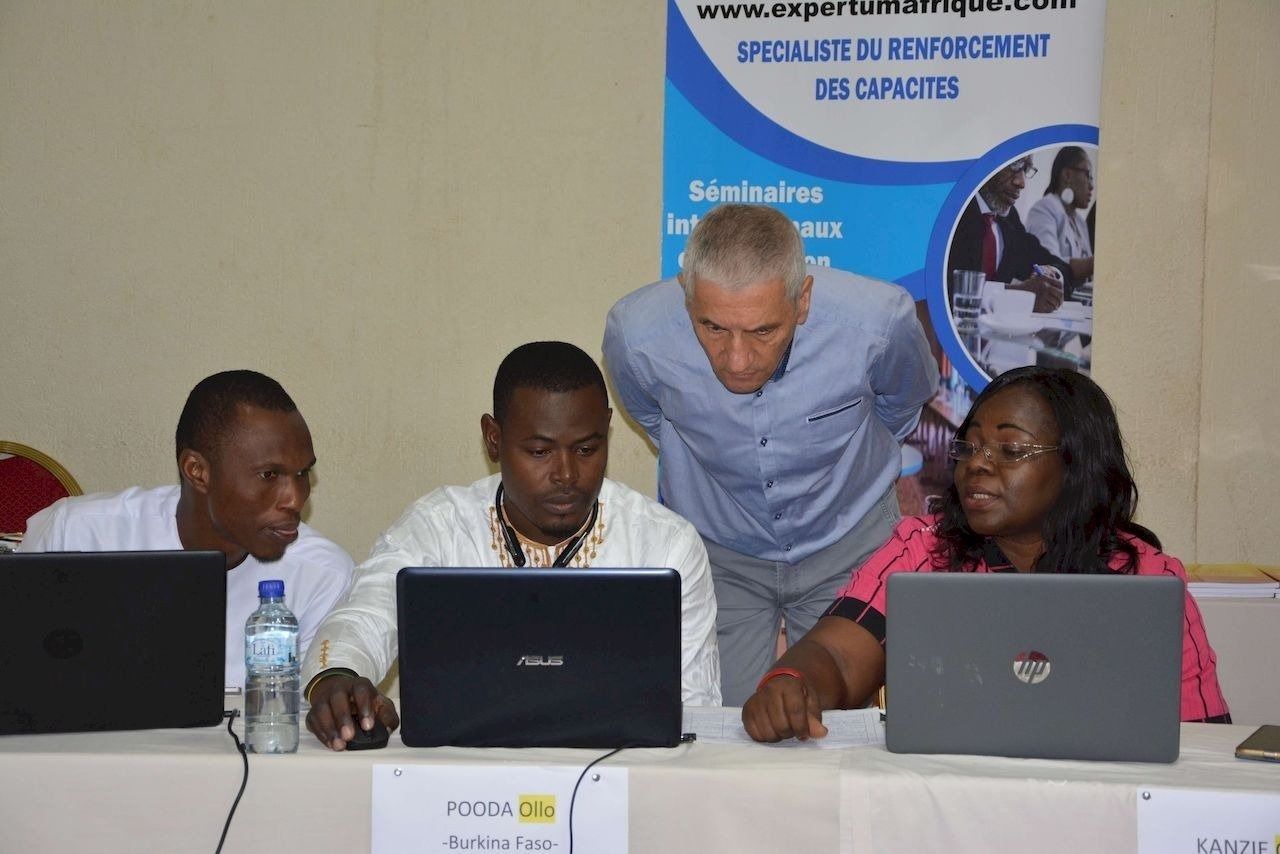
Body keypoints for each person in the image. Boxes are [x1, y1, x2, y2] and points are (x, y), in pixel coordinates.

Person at [741, 366, 1230, 742]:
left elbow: (1202, 738)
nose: (977, 463)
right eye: (970, 447)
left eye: (1011, 450)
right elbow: (837, 655)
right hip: (949, 804)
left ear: (1076, 465)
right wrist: (792, 680)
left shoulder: (1147, 578)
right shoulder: (923, 550)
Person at [303, 341, 720, 750]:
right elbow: (365, 616)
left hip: (619, 774)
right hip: (463, 777)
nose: (566, 474)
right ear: (493, 438)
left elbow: (695, 709)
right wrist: (336, 677)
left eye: (587, 449)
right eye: (539, 451)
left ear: (607, 429)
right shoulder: (440, 526)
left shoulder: (665, 544)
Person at [603, 203, 939, 706]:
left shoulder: (879, 323)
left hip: (851, 539)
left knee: (847, 725)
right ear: (686, 293)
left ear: (802, 300)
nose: (737, 359)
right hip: (720, 548)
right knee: (717, 720)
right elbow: (654, 418)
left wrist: (854, 466)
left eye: (763, 331)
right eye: (713, 328)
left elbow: (904, 402)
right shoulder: (635, 336)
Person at [19, 370, 354, 689]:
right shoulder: (76, 535)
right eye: (270, 475)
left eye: (302, 474)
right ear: (197, 471)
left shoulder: (323, 575)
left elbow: (298, 712)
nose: (295, 498)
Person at [948, 155, 1072, 311]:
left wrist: (1050, 275)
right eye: (1015, 165)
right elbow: (943, 288)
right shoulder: (951, 210)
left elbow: (1052, 263)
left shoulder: (1008, 219)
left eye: (1025, 169)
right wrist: (1017, 295)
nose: (1021, 183)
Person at [1026, 146, 1095, 286]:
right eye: (1087, 175)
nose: (1092, 185)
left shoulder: (1080, 222)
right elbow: (1048, 265)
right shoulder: (1044, 209)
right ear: (1067, 175)